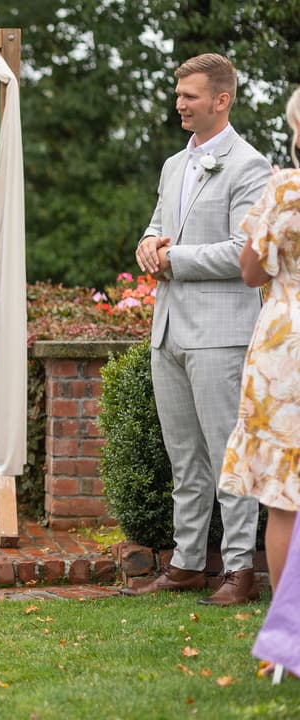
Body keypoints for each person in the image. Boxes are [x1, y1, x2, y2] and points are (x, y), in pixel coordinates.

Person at [124, 54, 271, 606]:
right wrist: (147, 245)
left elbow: (243, 253)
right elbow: (159, 228)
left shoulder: (249, 166)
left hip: (222, 333)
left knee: (227, 454)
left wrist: (172, 258)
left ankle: (239, 571)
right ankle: (187, 562)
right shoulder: (171, 166)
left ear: (222, 99)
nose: (179, 103)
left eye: (190, 95)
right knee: (183, 456)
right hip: (169, 331)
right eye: (178, 94)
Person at [218, 86, 300, 681]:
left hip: (285, 352)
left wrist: (264, 222)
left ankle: (290, 648)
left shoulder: (285, 188)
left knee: (283, 495)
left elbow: (250, 272)